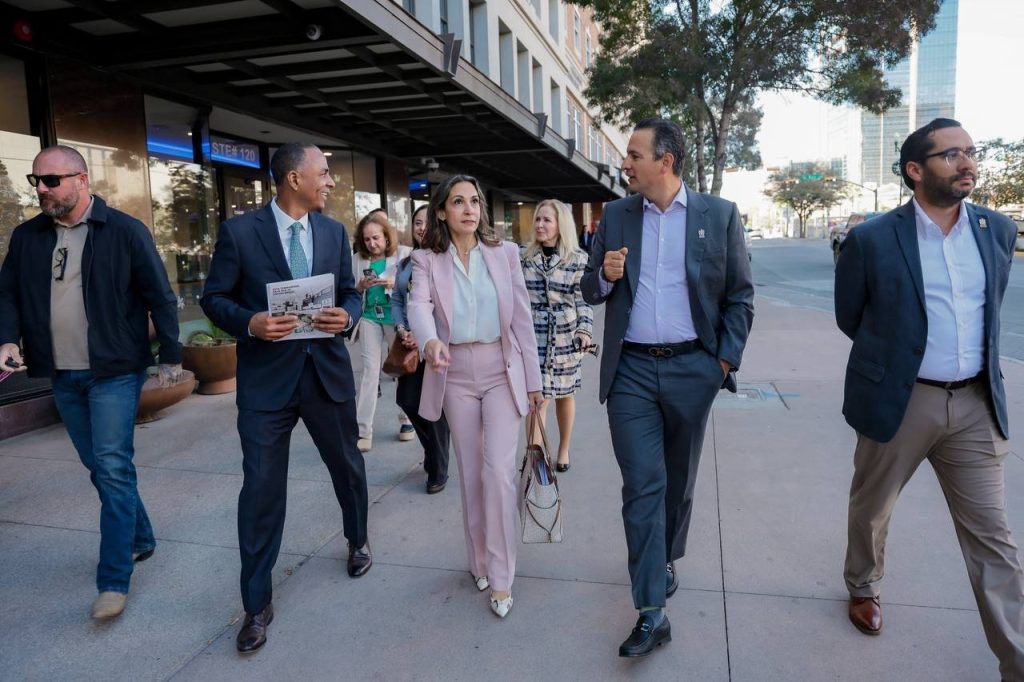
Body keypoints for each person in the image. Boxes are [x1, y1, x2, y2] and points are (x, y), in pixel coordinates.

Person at [836, 118, 1024, 679]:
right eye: (951, 155)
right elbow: (852, 316)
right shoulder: (872, 238)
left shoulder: (996, 229)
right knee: (872, 508)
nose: (967, 163)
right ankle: (863, 585)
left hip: (974, 405)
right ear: (915, 170)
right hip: (902, 400)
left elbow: (990, 311)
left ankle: (1017, 661)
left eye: (971, 152)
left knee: (994, 539)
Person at [580, 118, 754, 657]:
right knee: (642, 486)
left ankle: (665, 556)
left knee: (677, 483)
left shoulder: (718, 215)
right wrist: (605, 275)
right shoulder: (615, 215)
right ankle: (651, 610)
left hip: (692, 369)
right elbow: (590, 289)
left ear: (666, 161)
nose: (625, 163)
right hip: (630, 372)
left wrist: (721, 364)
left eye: (634, 154)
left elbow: (740, 296)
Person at [200, 142, 370, 654]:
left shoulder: (333, 232)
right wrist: (249, 322)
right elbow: (214, 298)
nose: (331, 181)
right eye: (324, 173)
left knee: (347, 467)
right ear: (294, 179)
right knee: (260, 490)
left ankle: (357, 538)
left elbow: (351, 291)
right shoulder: (238, 233)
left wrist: (348, 314)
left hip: (326, 376)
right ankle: (256, 604)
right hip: (266, 384)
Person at [0, 145, 182, 620]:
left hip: (114, 371)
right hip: (61, 372)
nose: (41, 189)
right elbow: (7, 294)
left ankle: (113, 580)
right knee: (99, 467)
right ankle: (140, 536)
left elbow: (159, 296)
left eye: (51, 180)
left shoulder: (124, 230)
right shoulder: (27, 237)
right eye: (36, 181)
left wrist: (171, 355)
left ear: (82, 180)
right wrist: (7, 339)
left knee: (112, 466)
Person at [407, 174, 543, 619]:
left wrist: (534, 382)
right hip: (454, 374)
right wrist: (429, 340)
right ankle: (479, 560)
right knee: (470, 473)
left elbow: (522, 321)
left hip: (501, 369)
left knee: (499, 472)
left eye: (475, 201)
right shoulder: (427, 259)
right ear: (442, 210)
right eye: (458, 202)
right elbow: (418, 306)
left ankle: (502, 576)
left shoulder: (504, 254)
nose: (469, 209)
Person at [520, 199, 594, 471]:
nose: (540, 225)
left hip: (565, 338)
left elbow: (583, 300)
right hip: (533, 338)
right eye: (538, 219)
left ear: (560, 225)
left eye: (546, 220)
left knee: (565, 395)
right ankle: (536, 459)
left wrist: (584, 330)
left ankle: (563, 449)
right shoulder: (523, 256)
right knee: (537, 399)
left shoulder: (578, 259)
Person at [390, 204, 451, 494]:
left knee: (434, 408)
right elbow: (397, 299)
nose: (421, 227)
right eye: (417, 222)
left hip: (437, 345)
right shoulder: (406, 263)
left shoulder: (445, 259)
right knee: (407, 400)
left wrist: (423, 334)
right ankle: (432, 450)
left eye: (427, 222)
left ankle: (438, 469)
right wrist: (402, 329)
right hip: (410, 346)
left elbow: (444, 306)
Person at [351, 208, 413, 452]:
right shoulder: (358, 259)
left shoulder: (404, 254)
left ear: (387, 236)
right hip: (369, 317)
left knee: (399, 368)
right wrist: (360, 286)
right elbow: (350, 291)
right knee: (370, 371)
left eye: (376, 238)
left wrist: (395, 284)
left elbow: (416, 285)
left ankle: (406, 419)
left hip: (395, 318)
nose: (372, 243)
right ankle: (363, 430)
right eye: (367, 239)